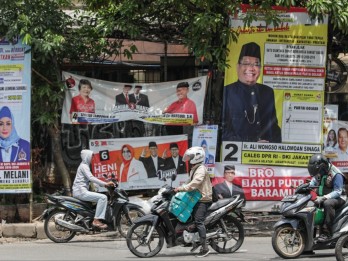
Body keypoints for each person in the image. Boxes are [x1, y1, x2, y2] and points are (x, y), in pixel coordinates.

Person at [222, 42, 281, 143]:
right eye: (246, 63)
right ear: (238, 67)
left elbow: (274, 128)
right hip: (237, 154)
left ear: (260, 69)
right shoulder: (227, 91)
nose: (251, 68)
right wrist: (252, 144)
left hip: (265, 154)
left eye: (256, 64)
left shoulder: (267, 92)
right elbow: (222, 131)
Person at [174, 146, 213, 258]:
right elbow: (188, 183)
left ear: (197, 157)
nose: (189, 158)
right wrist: (178, 188)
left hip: (203, 199)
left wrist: (181, 189)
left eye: (191, 156)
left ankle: (205, 248)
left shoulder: (201, 169)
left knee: (198, 221)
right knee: (188, 218)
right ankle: (195, 241)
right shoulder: (194, 169)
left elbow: (195, 183)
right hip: (195, 198)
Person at [72, 149, 115, 229]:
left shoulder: (84, 166)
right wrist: (104, 184)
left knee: (99, 197)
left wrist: (101, 185)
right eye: (91, 157)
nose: (92, 159)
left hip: (80, 191)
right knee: (103, 198)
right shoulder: (84, 166)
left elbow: (90, 180)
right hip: (81, 192)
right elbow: (91, 178)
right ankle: (96, 220)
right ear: (87, 157)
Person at [308, 153, 346, 242]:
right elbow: (312, 183)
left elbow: (338, 192)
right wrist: (303, 187)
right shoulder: (320, 172)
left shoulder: (336, 174)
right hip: (324, 197)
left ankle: (327, 233)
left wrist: (324, 197)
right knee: (311, 207)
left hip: (340, 198)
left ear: (323, 167)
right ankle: (310, 239)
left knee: (327, 203)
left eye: (318, 171)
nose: (317, 174)